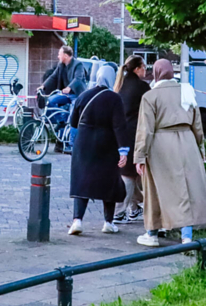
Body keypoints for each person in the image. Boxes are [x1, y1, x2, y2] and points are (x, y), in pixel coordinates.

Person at [134, 59, 206, 247]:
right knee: (187, 188)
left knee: (155, 188)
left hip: (161, 144)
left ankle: (151, 232)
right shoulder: (187, 91)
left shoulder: (150, 96)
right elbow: (198, 124)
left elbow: (146, 129)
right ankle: (187, 236)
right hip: (187, 142)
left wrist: (140, 156)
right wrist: (201, 148)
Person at [67, 66, 130, 235]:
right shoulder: (114, 98)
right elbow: (119, 126)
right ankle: (108, 222)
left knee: (82, 180)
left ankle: (77, 221)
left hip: (84, 143)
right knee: (109, 181)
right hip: (106, 144)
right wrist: (123, 151)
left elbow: (73, 122)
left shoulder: (84, 95)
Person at [113, 56, 148, 224]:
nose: (145, 71)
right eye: (144, 67)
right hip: (135, 134)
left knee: (131, 173)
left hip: (121, 134)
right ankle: (119, 211)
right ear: (137, 69)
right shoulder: (142, 87)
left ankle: (134, 209)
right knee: (129, 174)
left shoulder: (120, 85)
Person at [38, 45, 89, 153]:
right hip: (66, 94)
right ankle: (60, 121)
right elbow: (53, 76)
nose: (58, 56)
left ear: (65, 55)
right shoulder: (61, 65)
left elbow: (78, 78)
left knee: (73, 117)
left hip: (77, 95)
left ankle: (72, 144)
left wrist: (69, 87)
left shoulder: (78, 64)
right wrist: (43, 86)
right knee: (51, 101)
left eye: (59, 54)